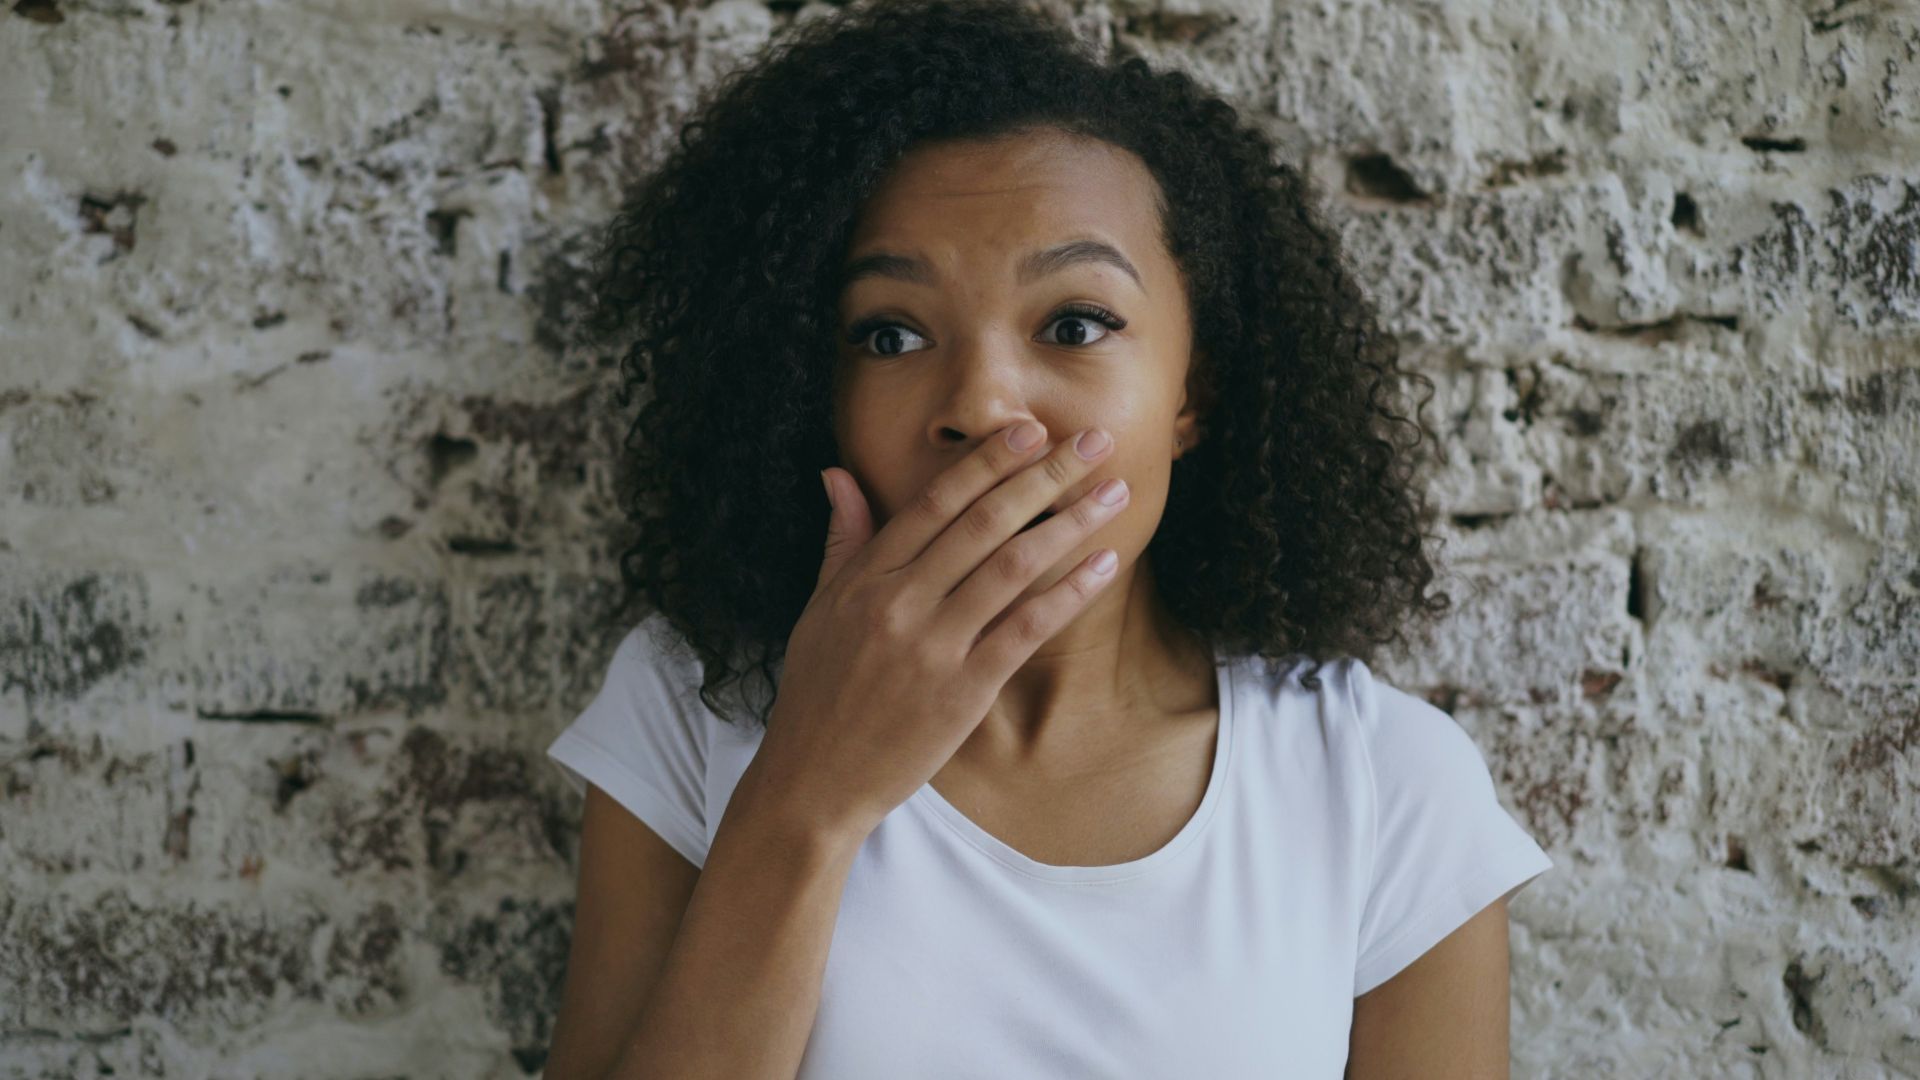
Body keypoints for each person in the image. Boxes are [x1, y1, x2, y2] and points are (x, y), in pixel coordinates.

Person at [541, 1, 1552, 1076]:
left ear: (1193, 392)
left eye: (1075, 325)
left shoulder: (1383, 785)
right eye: (890, 335)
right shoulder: (692, 705)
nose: (981, 405)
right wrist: (809, 793)